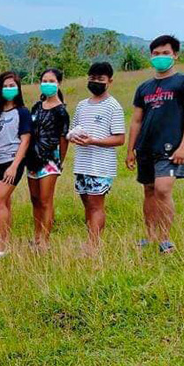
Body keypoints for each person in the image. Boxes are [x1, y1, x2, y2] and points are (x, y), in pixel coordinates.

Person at [124, 35, 184, 252]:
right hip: (145, 147)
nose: (160, 57)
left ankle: (165, 239)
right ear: (151, 56)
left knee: (162, 189)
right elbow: (136, 120)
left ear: (175, 55)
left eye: (165, 53)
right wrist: (130, 150)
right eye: (156, 54)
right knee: (148, 190)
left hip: (171, 147)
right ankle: (149, 237)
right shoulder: (144, 88)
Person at [68, 62, 127, 250]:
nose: (95, 82)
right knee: (87, 204)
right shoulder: (81, 105)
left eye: (100, 79)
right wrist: (73, 136)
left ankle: (93, 246)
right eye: (92, 78)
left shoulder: (113, 106)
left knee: (96, 205)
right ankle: (91, 240)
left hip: (100, 165)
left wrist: (93, 141)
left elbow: (119, 139)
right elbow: (73, 129)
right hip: (82, 164)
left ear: (109, 81)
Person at [0, 72, 35, 259]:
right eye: (5, 86)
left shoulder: (22, 112)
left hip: (11, 161)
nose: (9, 89)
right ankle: (6, 240)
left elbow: (25, 140)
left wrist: (15, 166)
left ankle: (0, 245)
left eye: (12, 85)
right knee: (4, 203)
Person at [24, 69, 70, 249]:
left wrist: (61, 162)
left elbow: (63, 138)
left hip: (50, 160)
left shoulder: (61, 111)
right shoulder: (36, 107)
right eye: (44, 80)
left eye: (52, 81)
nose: (47, 84)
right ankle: (36, 237)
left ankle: (45, 240)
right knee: (34, 198)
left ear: (58, 84)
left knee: (45, 199)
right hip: (32, 158)